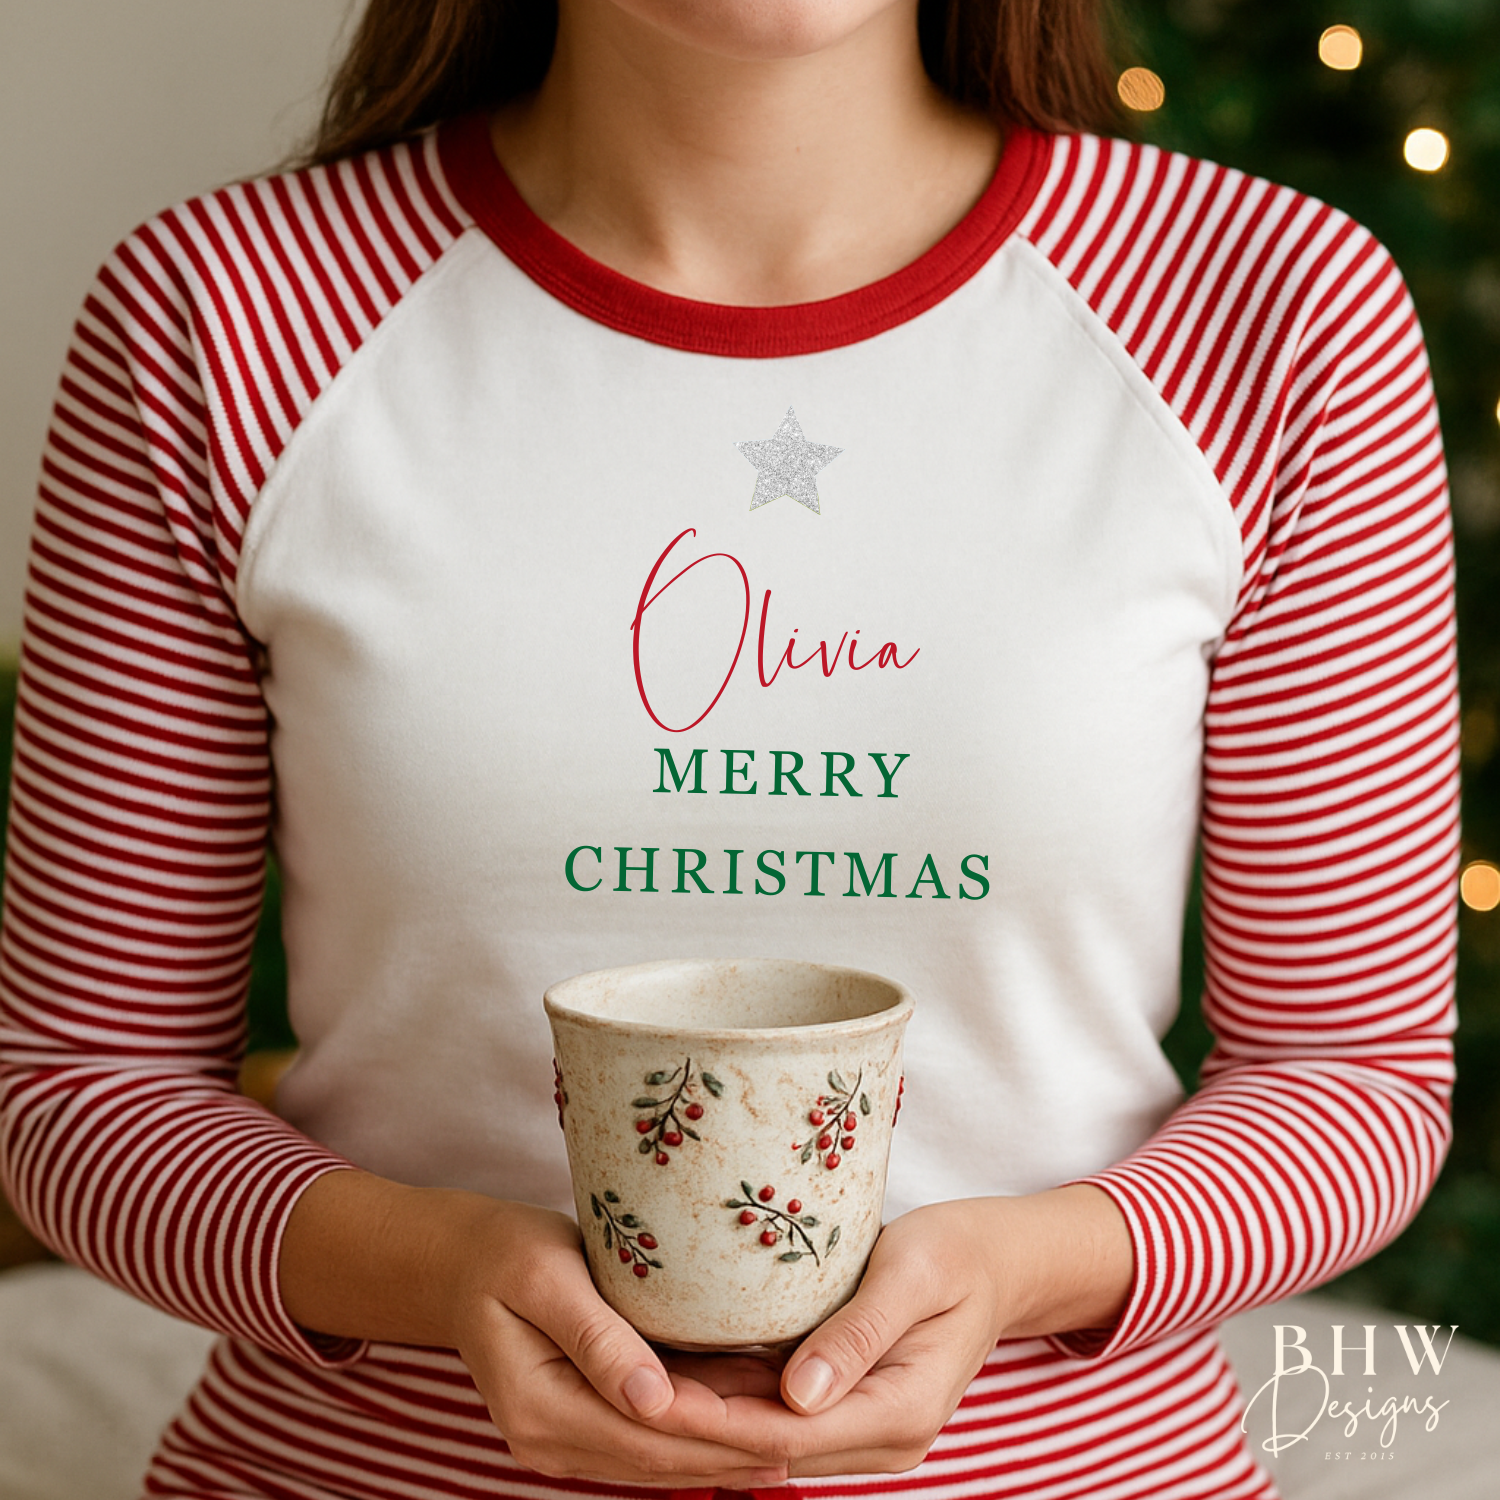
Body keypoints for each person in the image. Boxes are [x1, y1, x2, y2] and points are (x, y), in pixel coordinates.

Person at [0, 0, 1458, 1496]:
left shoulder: (1275, 311)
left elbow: (1355, 1080)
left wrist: (1028, 1267)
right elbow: (82, 1089)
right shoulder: (216, 314)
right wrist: (435, 1270)